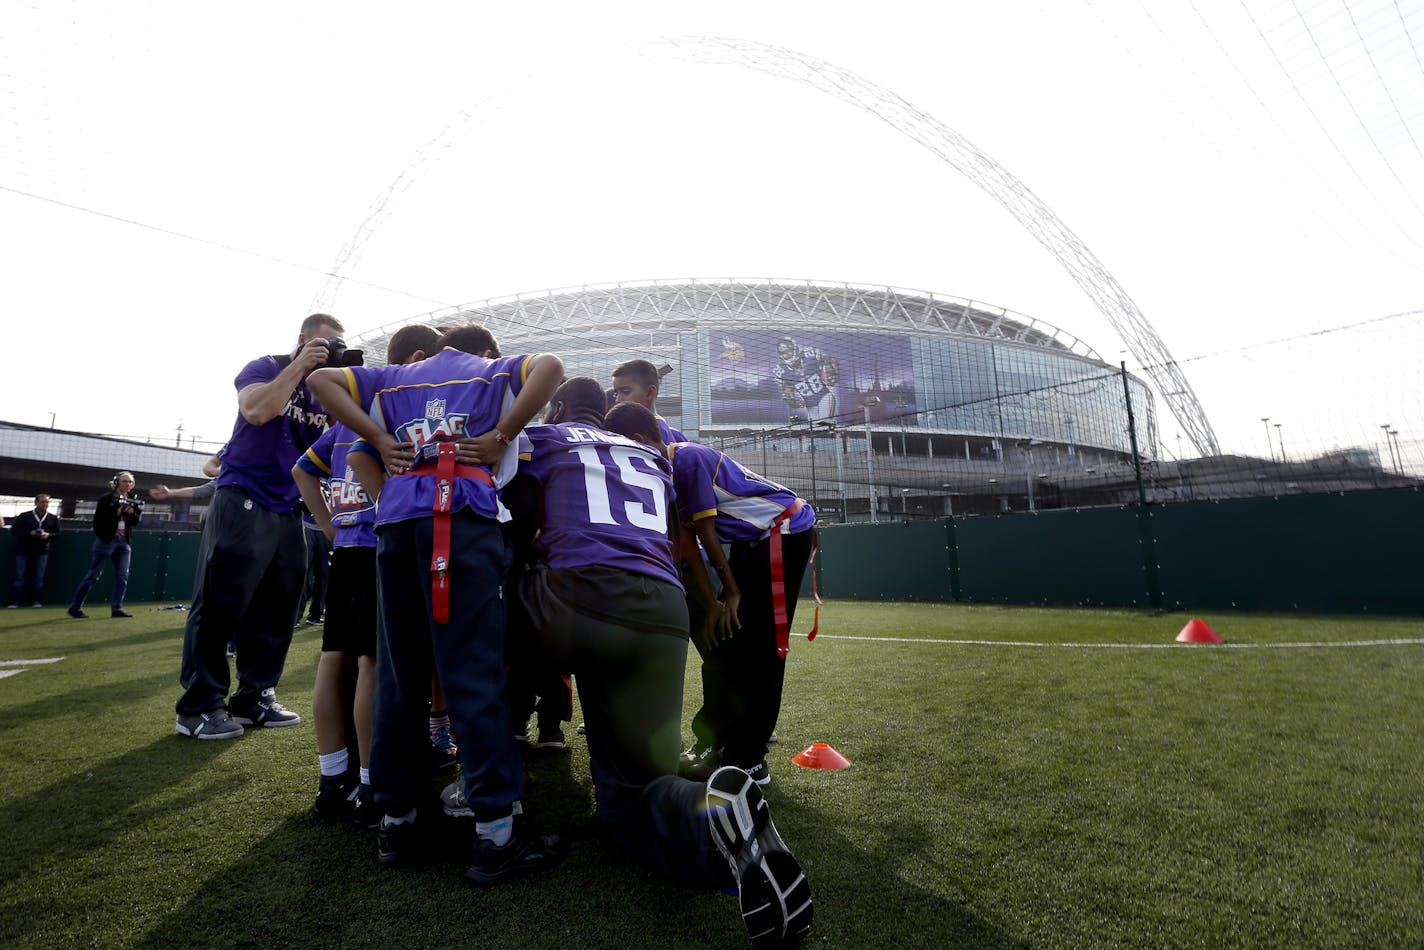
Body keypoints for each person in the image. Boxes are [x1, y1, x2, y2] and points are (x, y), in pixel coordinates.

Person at [493, 378, 812, 946]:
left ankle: (487, 790)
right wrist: (711, 602)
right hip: (659, 610)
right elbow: (680, 541)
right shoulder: (654, 455)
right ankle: (709, 814)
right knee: (641, 786)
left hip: (573, 596)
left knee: (482, 632)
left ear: (559, 409)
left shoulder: (540, 437)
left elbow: (509, 523)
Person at [308, 323, 565, 883]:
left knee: (399, 675)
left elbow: (323, 379)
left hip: (396, 525)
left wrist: (378, 440)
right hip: (461, 520)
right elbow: (550, 366)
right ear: (485, 351)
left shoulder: (393, 377)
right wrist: (502, 433)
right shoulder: (489, 370)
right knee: (471, 671)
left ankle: (397, 823)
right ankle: (496, 835)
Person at [604, 402, 817, 787]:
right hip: (754, 544)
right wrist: (715, 602)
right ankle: (718, 743)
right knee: (731, 643)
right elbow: (687, 546)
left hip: (784, 534)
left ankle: (749, 759)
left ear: (638, 441)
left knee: (762, 649)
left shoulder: (687, 459)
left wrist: (732, 593)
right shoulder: (666, 472)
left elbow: (706, 534)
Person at [174, 313, 346, 741]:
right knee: (219, 602)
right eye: (326, 345)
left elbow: (335, 449)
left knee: (280, 606)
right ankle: (198, 706)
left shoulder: (329, 391)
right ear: (304, 339)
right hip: (242, 493)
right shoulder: (267, 367)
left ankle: (254, 695)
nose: (332, 352)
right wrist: (301, 364)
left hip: (290, 507)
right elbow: (257, 410)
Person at [294, 323, 441, 827]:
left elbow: (302, 470)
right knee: (374, 664)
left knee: (334, 660)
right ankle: (371, 780)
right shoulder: (390, 412)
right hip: (382, 546)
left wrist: (331, 526)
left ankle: (332, 778)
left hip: (348, 550)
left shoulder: (343, 419)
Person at [68, 473, 142, 619]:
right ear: (116, 483)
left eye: (130, 482)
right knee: (93, 575)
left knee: (123, 576)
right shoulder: (106, 499)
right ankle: (75, 607)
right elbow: (98, 521)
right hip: (107, 541)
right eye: (124, 481)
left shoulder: (134, 499)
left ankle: (117, 608)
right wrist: (117, 513)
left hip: (124, 541)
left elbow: (134, 522)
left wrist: (132, 513)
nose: (127, 484)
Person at [611, 358, 686, 443]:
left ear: (650, 393)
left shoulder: (650, 435)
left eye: (625, 392)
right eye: (616, 393)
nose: (618, 399)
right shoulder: (676, 435)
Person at [772, 336, 839, 424]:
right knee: (815, 429)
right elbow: (787, 395)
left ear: (795, 349)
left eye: (789, 351)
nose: (787, 354)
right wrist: (794, 403)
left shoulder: (809, 356)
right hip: (810, 406)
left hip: (825, 397)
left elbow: (830, 360)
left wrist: (832, 372)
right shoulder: (782, 371)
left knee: (826, 423)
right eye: (784, 352)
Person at [9, 494, 60, 607]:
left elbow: (58, 534)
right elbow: (14, 531)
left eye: (47, 502)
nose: (45, 504)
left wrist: (48, 535)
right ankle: (15, 602)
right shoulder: (24, 516)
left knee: (39, 577)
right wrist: (29, 533)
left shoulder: (53, 518)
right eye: (42, 502)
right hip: (23, 551)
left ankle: (36, 601)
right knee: (19, 577)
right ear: (36, 503)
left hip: (42, 552)